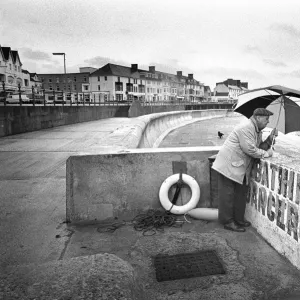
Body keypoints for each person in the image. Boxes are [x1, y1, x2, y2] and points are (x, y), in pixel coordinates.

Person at [212, 108, 278, 232]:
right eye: (266, 119)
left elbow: (258, 147)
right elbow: (250, 150)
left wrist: (270, 138)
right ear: (258, 118)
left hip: (239, 167)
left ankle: (238, 219)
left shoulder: (256, 130)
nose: (268, 122)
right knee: (228, 195)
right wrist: (267, 154)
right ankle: (228, 222)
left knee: (240, 194)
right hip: (228, 165)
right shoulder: (247, 127)